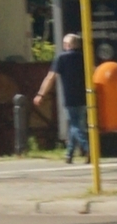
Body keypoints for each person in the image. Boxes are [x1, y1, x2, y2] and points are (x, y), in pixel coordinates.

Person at [33, 33, 89, 164]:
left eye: (65, 44)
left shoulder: (62, 58)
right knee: (75, 124)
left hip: (70, 96)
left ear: (68, 45)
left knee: (74, 125)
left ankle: (87, 148)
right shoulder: (84, 57)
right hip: (83, 96)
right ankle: (69, 154)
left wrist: (41, 94)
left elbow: (50, 77)